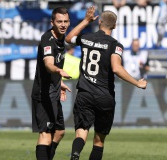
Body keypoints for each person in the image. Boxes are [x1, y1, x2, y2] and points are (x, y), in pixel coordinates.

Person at [65, 6, 147, 160]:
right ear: (115, 26)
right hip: (105, 96)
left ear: (99, 22)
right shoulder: (115, 45)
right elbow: (116, 68)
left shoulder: (86, 38)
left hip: (85, 93)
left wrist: (85, 21)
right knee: (99, 140)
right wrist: (137, 83)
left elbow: (68, 39)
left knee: (81, 131)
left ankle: (75, 155)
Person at [31, 7, 72, 160]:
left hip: (53, 90)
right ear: (52, 22)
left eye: (66, 21)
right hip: (44, 93)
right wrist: (58, 71)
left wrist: (58, 82)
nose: (63, 25)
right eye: (59, 21)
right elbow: (48, 63)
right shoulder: (47, 39)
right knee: (46, 135)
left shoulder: (61, 37)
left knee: (59, 132)